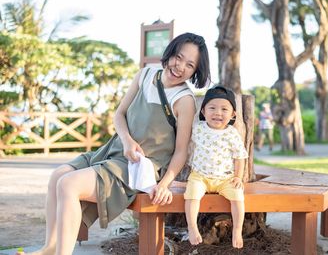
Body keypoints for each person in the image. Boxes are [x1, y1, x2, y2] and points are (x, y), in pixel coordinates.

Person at [17, 32, 211, 255]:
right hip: (116, 149)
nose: (180, 67)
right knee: (57, 176)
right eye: (178, 57)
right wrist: (127, 142)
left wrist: (165, 183)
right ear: (170, 53)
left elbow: (180, 152)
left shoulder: (184, 100)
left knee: (68, 184)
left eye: (189, 65)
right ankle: (49, 248)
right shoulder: (145, 75)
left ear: (195, 71)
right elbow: (119, 115)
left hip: (137, 167)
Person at [184, 86, 248, 249]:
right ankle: (192, 227)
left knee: (238, 197)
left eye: (224, 109)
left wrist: (237, 177)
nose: (218, 113)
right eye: (212, 108)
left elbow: (240, 156)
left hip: (225, 178)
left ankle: (237, 230)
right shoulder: (197, 128)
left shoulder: (232, 133)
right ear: (203, 111)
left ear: (233, 114)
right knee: (191, 196)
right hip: (200, 176)